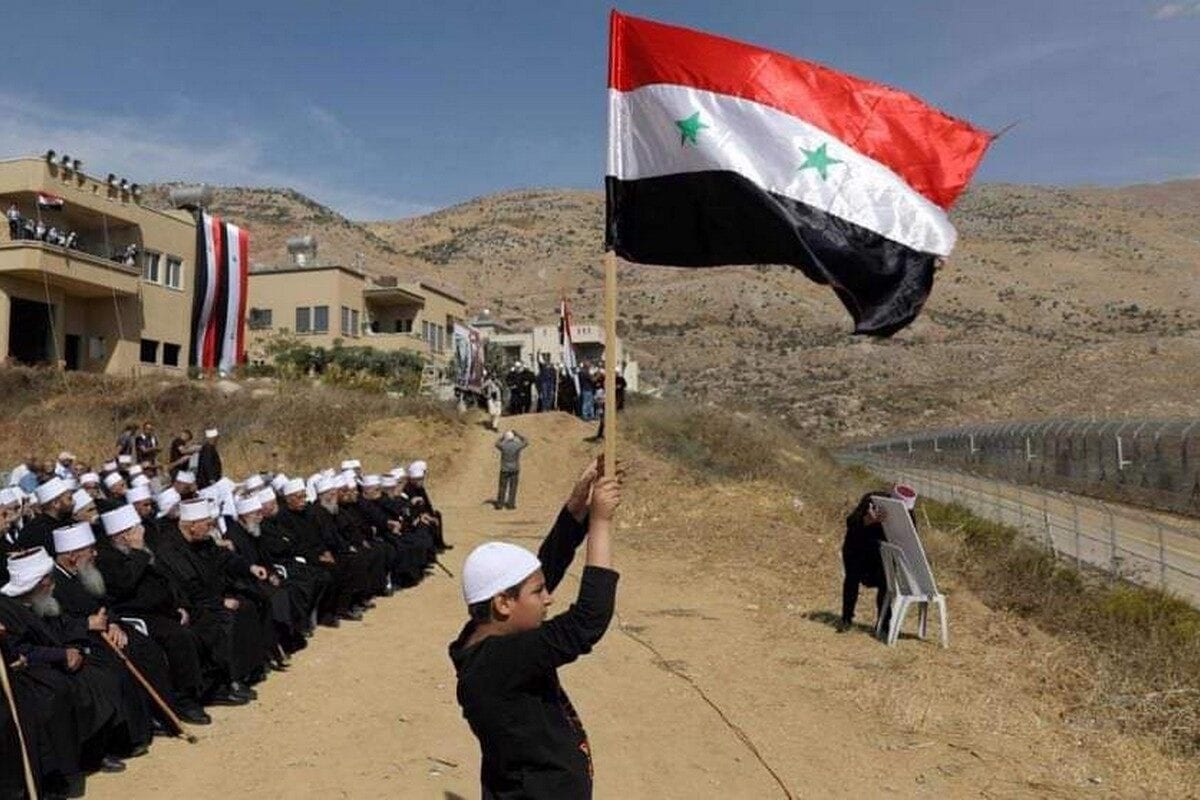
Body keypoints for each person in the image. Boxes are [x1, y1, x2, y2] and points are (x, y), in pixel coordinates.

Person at [449, 457, 620, 799]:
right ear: (502, 603)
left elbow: (545, 567)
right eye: (539, 592)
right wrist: (601, 523)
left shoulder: (483, 634)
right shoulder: (500, 662)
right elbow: (588, 620)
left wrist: (576, 508)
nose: (548, 599)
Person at [838, 485, 918, 633]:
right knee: (851, 580)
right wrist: (868, 520)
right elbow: (851, 522)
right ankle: (846, 618)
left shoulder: (909, 515)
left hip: (882, 557)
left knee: (886, 585)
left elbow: (911, 541)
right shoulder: (872, 500)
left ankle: (884, 624)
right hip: (858, 551)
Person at [494, 431, 528, 510]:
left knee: (502, 487)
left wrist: (502, 437)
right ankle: (511, 504)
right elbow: (526, 442)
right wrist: (519, 435)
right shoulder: (517, 445)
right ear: (513, 438)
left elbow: (496, 443)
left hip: (504, 469)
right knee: (513, 487)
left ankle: (500, 504)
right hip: (514, 468)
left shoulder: (503, 445)